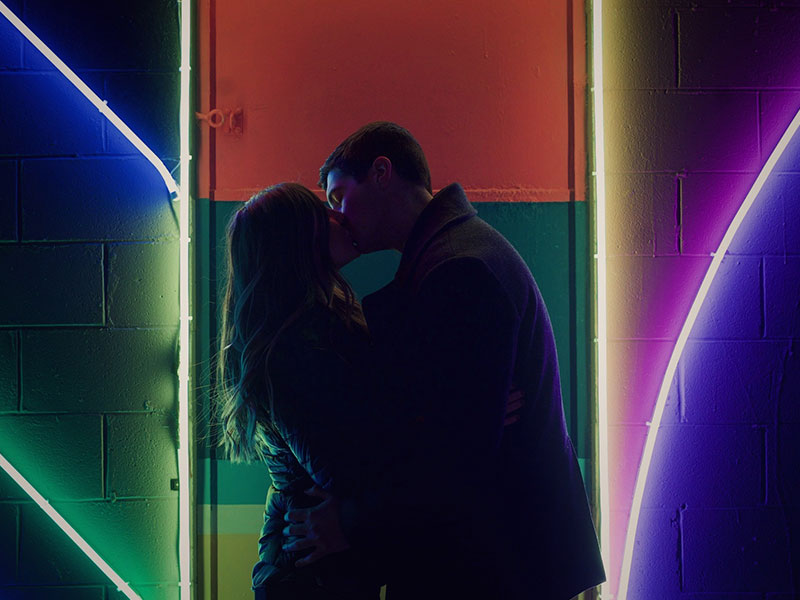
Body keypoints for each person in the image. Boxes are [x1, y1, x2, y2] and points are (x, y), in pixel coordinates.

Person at [283, 122, 606, 599]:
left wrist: (348, 521)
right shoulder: (451, 255)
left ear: (381, 172)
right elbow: (429, 422)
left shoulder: (459, 269)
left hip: (496, 564)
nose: (338, 216)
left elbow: (455, 456)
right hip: (498, 557)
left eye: (337, 197)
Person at [214, 181, 525, 598]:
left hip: (320, 568)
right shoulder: (290, 350)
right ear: (296, 244)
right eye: (321, 214)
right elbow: (345, 470)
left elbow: (373, 423)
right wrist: (458, 417)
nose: (338, 216)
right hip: (305, 575)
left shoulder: (319, 322)